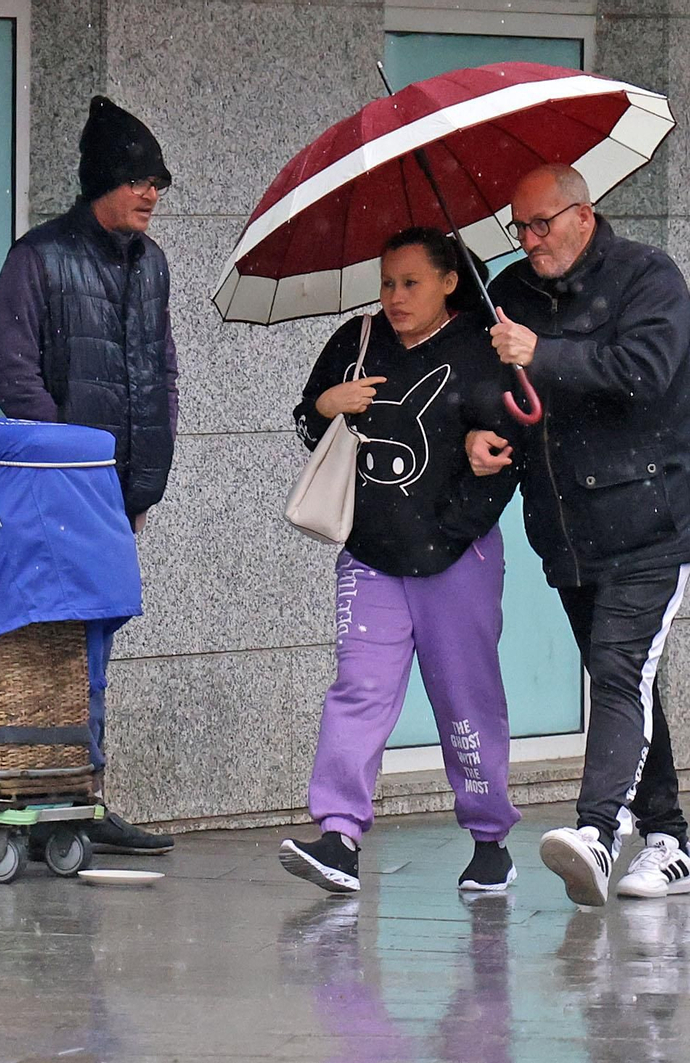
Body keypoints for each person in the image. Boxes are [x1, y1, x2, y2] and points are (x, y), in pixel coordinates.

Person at [470, 163, 690, 906]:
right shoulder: (507, 294)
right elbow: (496, 386)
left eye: (542, 224)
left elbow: (643, 372)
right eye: (520, 227)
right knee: (626, 680)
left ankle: (598, 834)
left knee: (617, 668)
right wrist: (485, 427)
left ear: (583, 213)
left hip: (650, 522)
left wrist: (541, 352)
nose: (530, 240)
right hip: (566, 529)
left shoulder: (648, 277)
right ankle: (668, 839)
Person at [279, 227, 522, 895]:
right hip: (371, 556)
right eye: (386, 282)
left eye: (410, 282)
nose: (393, 296)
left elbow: (512, 449)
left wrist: (476, 466)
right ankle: (338, 834)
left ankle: (490, 838)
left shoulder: (483, 347)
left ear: (449, 282)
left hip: (458, 558)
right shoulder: (355, 342)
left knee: (465, 699)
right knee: (358, 690)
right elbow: (309, 423)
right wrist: (328, 405)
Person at [0, 95, 178, 855]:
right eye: (140, 180)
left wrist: (142, 472)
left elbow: (161, 368)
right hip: (60, 492)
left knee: (97, 639)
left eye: (160, 182)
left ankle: (81, 797)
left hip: (115, 496)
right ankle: (61, 797)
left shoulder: (152, 264)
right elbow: (12, 371)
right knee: (62, 643)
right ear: (103, 180)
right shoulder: (38, 258)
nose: (152, 195)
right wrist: (74, 460)